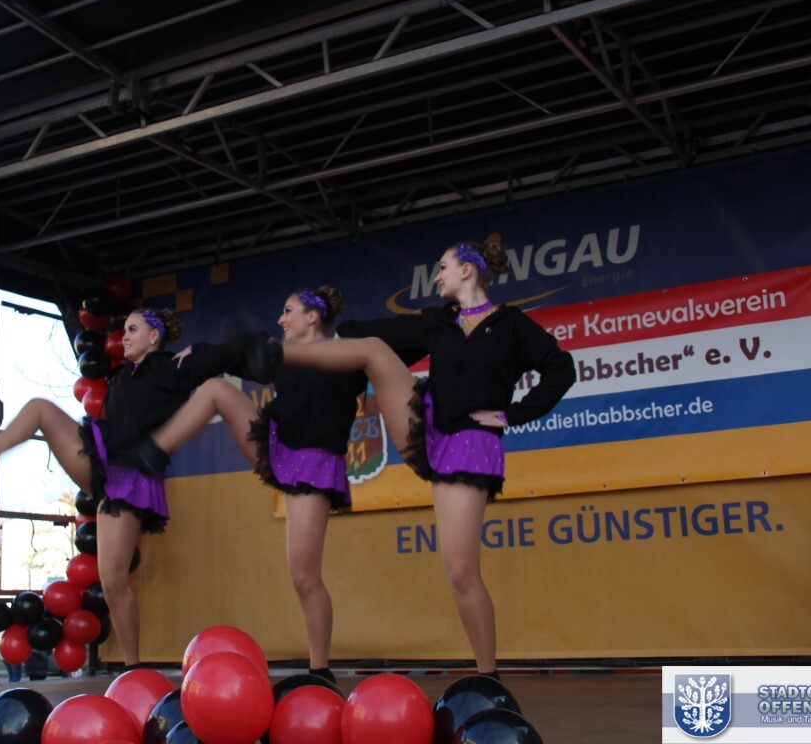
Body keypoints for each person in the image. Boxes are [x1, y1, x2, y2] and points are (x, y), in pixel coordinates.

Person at [240, 240, 575, 678]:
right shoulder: (440, 322)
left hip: (471, 446)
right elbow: (379, 334)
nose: (437, 276)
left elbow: (561, 368)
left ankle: (488, 676)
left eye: (443, 267)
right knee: (374, 347)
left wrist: (512, 414)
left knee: (460, 571)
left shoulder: (511, 325)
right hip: (428, 431)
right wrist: (328, 336)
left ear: (468, 271)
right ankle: (278, 354)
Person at [0, 307, 237, 668]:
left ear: (155, 336)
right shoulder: (120, 376)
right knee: (41, 408)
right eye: (125, 330)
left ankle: (133, 667)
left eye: (133, 330)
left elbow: (220, 360)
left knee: (113, 582)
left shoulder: (171, 368)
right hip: (102, 458)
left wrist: (195, 352)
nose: (125, 337)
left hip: (131, 473)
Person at [123, 286, 367, 685]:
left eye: (288, 311)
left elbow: (396, 349)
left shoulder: (347, 356)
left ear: (312, 316)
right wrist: (197, 352)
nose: (281, 319)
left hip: (313, 463)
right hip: (276, 447)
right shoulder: (281, 357)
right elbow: (234, 353)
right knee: (215, 389)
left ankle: (321, 670)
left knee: (303, 575)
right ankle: (154, 450)